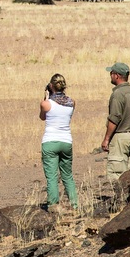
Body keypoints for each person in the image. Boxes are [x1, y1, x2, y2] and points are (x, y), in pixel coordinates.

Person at [40, 73, 78, 211]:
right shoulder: (72, 102)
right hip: (66, 141)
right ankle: (75, 204)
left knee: (52, 176)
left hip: (50, 141)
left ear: (51, 86)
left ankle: (53, 204)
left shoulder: (46, 104)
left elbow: (42, 117)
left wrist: (46, 97)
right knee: (67, 175)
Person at [101, 62, 130, 183]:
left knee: (117, 175)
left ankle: (120, 201)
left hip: (120, 138)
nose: (110, 76)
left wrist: (106, 139)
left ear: (116, 76)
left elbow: (114, 118)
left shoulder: (117, 94)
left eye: (111, 73)